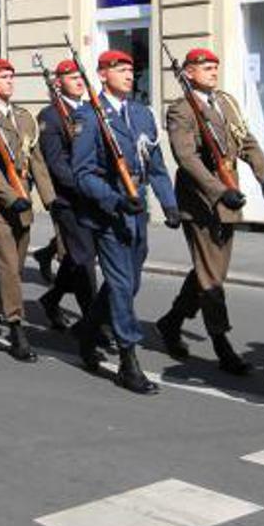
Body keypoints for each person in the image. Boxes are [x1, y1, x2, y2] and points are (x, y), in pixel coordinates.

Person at [155, 47, 264, 375]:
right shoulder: (181, 109)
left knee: (211, 270)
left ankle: (172, 321)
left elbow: (246, 141)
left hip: (228, 196)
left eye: (214, 66)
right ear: (188, 73)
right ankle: (222, 344)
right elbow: (187, 158)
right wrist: (219, 191)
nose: (212, 71)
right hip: (202, 201)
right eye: (205, 67)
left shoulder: (225, 102)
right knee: (211, 277)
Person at [71, 49, 179, 394]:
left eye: (132, 69)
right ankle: (128, 361)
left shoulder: (142, 114)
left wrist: (169, 203)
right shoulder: (89, 116)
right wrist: (113, 199)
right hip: (108, 212)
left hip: (137, 210)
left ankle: (89, 329)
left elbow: (155, 164)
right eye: (120, 69)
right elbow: (82, 173)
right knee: (120, 285)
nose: (130, 75)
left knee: (130, 283)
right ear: (103, 75)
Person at [0, 57, 54, 361]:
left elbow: (36, 160)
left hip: (22, 202)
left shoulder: (23, 117)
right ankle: (16, 329)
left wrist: (50, 199)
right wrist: (9, 196)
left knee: (13, 267)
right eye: (3, 77)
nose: (9, 81)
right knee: (7, 266)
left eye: (11, 76)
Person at [36, 60, 99, 337]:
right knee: (84, 259)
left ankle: (51, 299)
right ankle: (92, 322)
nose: (79, 81)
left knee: (77, 256)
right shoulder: (50, 116)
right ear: (58, 83)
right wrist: (84, 185)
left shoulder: (90, 110)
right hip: (69, 198)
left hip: (95, 195)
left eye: (80, 76)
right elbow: (56, 163)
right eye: (72, 77)